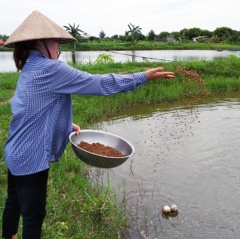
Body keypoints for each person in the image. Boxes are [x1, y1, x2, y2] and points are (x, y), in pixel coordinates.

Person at [1, 10, 175, 239]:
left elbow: (28, 110)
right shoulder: (51, 68)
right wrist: (142, 77)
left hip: (14, 149)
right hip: (30, 157)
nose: (58, 48)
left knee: (14, 201)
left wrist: (64, 124)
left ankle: (9, 236)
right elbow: (98, 84)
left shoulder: (30, 66)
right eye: (56, 42)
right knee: (34, 214)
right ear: (41, 43)